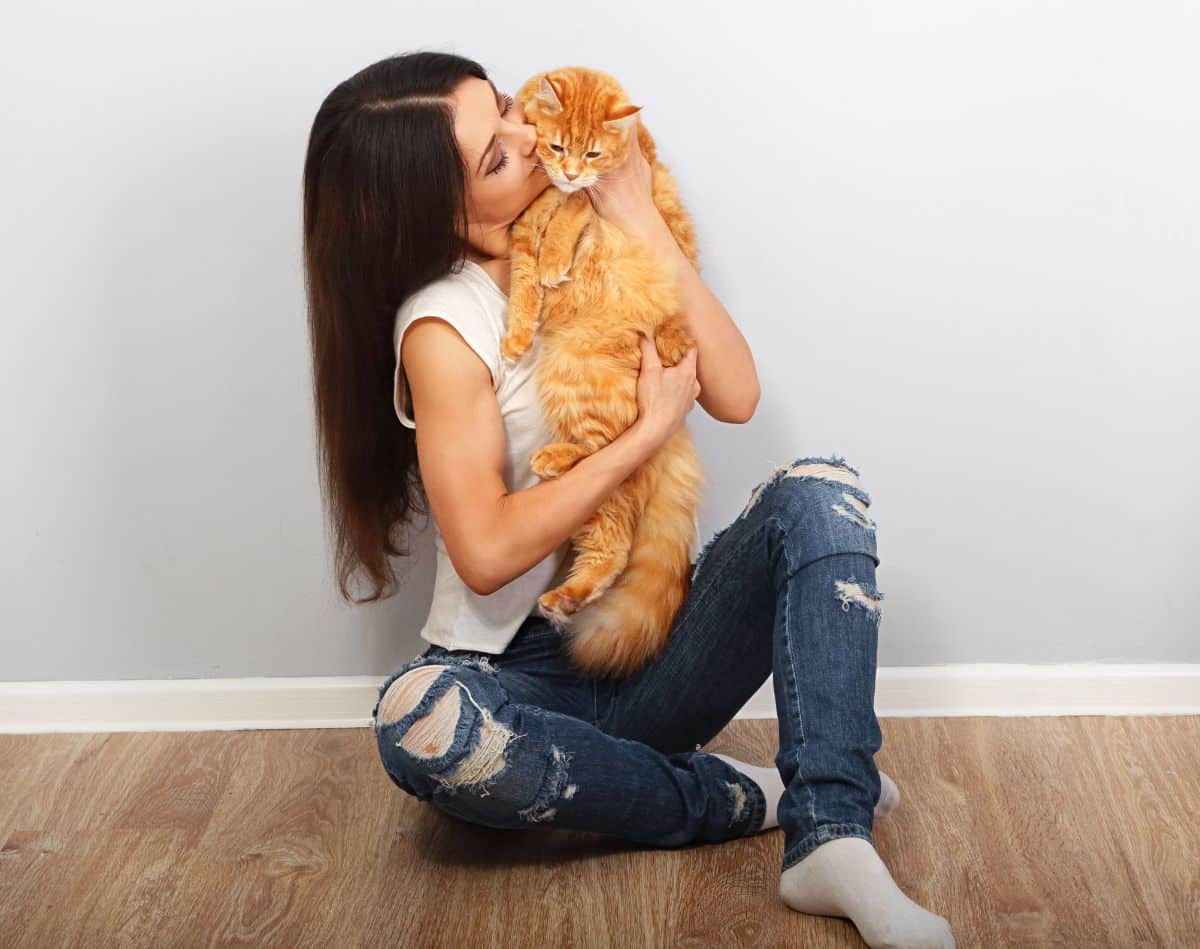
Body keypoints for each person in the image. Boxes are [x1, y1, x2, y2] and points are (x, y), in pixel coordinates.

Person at [302, 51, 955, 949]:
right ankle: (746, 794)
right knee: (415, 721)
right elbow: (488, 550)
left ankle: (830, 834)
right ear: (437, 214)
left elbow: (733, 391)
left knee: (822, 496)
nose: (530, 141)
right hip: (513, 680)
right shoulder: (444, 326)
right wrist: (643, 438)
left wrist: (636, 209)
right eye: (496, 157)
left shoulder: (591, 216)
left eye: (508, 110)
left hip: (647, 643)